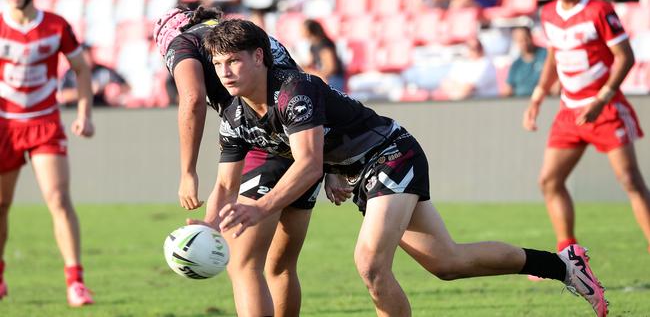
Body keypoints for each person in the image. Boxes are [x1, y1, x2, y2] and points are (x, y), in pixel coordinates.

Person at [202, 18, 608, 317]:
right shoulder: (234, 116)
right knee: (448, 263)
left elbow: (307, 163)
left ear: (259, 57)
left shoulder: (295, 90)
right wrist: (206, 225)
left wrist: (263, 205)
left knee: (370, 264)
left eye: (233, 61)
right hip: (363, 172)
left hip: (391, 154)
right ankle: (562, 265)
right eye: (218, 65)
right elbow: (225, 184)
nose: (225, 72)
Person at [152, 5, 322, 316]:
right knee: (280, 266)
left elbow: (191, 99)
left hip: (268, 143)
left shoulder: (183, 43)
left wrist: (187, 171)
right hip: (305, 150)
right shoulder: (245, 36)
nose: (224, 68)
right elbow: (308, 96)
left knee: (243, 263)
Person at [522, 0, 650, 256]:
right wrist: (539, 94)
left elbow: (625, 57)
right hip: (570, 111)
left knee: (630, 180)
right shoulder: (549, 13)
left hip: (605, 109)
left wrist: (602, 97)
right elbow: (555, 52)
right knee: (550, 181)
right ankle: (570, 255)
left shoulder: (599, 10)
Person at [0, 0, 95, 306]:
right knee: (1, 203)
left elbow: (82, 70)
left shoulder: (55, 26)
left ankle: (76, 282)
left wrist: (85, 113)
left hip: (44, 121)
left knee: (58, 199)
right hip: (5, 123)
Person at [57, 43, 131, 107]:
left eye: (89, 53)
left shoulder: (103, 70)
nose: (88, 57)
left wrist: (114, 89)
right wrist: (87, 91)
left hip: (101, 109)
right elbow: (61, 96)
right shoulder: (70, 73)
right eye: (84, 54)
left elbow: (126, 86)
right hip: (75, 111)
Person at [432, 38, 499, 100]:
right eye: (470, 47)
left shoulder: (486, 64)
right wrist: (458, 91)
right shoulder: (461, 62)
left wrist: (456, 91)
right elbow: (445, 83)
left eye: (477, 48)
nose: (474, 50)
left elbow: (470, 88)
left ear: (481, 48)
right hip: (463, 102)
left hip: (483, 104)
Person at [301, 18, 345, 91]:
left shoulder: (324, 44)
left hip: (333, 79)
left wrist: (317, 75)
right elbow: (311, 63)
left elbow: (331, 68)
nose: (301, 32)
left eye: (303, 29)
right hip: (323, 77)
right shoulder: (313, 46)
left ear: (310, 30)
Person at [504, 26, 547, 97]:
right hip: (520, 102)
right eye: (520, 40)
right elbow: (508, 88)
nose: (524, 43)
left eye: (525, 38)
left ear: (531, 36)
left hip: (545, 100)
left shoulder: (545, 55)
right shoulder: (516, 65)